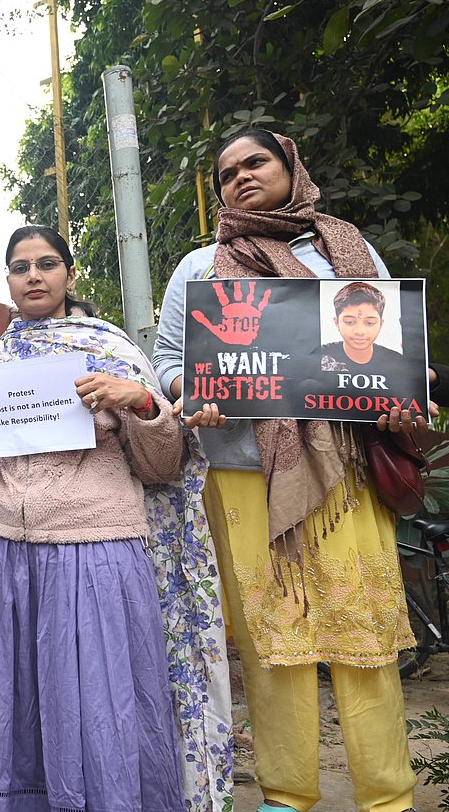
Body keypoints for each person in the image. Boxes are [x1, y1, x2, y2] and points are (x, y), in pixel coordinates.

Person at [154, 128, 432, 812]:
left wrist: (403, 389)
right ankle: (285, 794)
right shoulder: (199, 267)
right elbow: (166, 359)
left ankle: (388, 796)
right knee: (273, 645)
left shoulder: (347, 248)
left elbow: (387, 342)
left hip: (345, 471)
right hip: (246, 476)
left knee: (361, 630)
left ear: (290, 167)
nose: (241, 177)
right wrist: (190, 392)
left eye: (256, 162)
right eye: (226, 173)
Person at [0, 225, 228, 812]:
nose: (33, 277)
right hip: (5, 554)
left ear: (69, 273)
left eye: (45, 264)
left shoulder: (112, 352)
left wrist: (140, 403)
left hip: (94, 552)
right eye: (20, 267)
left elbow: (164, 467)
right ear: (8, 280)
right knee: (19, 703)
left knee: (98, 701)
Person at [319, 281, 406, 373]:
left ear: (381, 324)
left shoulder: (397, 362)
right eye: (350, 322)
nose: (360, 331)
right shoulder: (318, 356)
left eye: (370, 323)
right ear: (336, 323)